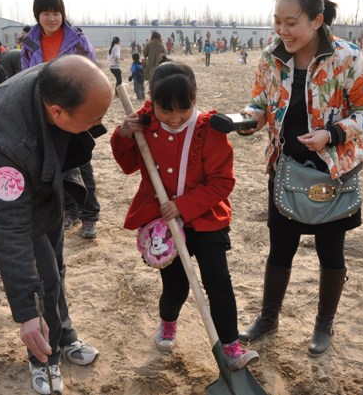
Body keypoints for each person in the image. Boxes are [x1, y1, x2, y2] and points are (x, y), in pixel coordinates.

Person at [236, 0, 363, 357]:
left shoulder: (348, 57)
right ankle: (268, 318)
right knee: (280, 249)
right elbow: (260, 103)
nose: (282, 31)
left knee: (330, 253)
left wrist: (332, 134)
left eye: (291, 22)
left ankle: (323, 324)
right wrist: (248, 119)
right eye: (277, 21)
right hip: (286, 169)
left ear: (317, 21)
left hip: (334, 172)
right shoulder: (271, 56)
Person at [0, 55, 111, 395]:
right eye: (93, 120)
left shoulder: (57, 81)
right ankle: (43, 358)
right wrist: (25, 313)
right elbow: (8, 227)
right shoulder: (8, 141)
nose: (100, 125)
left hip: (45, 179)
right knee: (43, 278)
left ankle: (64, 337)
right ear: (57, 112)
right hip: (8, 195)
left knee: (57, 268)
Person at [111, 61, 259, 371]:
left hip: (205, 218)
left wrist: (184, 205)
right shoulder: (144, 125)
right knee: (176, 286)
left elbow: (222, 182)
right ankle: (168, 323)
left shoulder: (209, 129)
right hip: (164, 223)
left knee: (218, 281)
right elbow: (127, 165)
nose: (175, 118)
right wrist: (123, 134)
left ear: (194, 98)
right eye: (166, 111)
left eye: (184, 109)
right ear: (153, 101)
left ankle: (230, 346)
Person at [21, 0, 101, 239]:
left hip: (74, 110)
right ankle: (69, 210)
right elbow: (25, 77)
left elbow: (93, 71)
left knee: (81, 162)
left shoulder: (77, 40)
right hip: (47, 111)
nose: (52, 18)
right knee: (57, 164)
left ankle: (90, 214)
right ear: (38, 15)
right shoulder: (30, 43)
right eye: (46, 13)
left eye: (56, 13)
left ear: (62, 14)